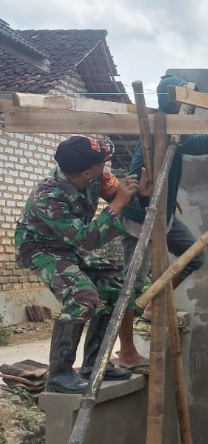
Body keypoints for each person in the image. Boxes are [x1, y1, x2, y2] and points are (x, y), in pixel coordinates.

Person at [116, 74, 208, 370]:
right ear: (173, 98)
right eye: (186, 99)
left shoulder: (172, 128)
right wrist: (146, 197)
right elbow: (139, 173)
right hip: (140, 220)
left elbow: (185, 153)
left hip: (163, 214)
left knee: (194, 255)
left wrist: (167, 197)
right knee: (129, 287)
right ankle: (126, 352)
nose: (189, 106)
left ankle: (154, 304)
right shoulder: (158, 128)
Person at [15, 136, 148, 393]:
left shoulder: (94, 177)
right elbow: (87, 240)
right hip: (42, 248)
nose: (106, 167)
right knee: (82, 297)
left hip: (71, 244)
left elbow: (117, 192)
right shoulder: (48, 196)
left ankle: (94, 364)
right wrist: (119, 203)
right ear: (89, 169)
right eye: (103, 163)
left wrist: (137, 194)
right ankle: (60, 374)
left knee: (114, 285)